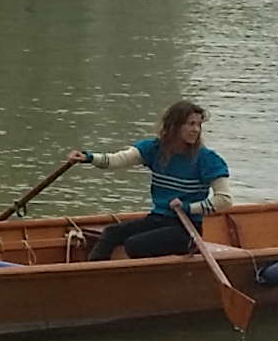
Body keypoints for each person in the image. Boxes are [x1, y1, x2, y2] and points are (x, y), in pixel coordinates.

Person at [73, 101, 232, 261]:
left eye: (198, 125)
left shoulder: (208, 160)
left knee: (135, 244)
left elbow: (224, 199)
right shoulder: (154, 149)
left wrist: (188, 207)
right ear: (174, 125)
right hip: (158, 218)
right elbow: (117, 160)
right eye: (191, 124)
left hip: (187, 230)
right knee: (111, 233)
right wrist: (88, 158)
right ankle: (89, 273)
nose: (196, 129)